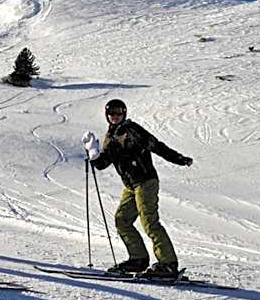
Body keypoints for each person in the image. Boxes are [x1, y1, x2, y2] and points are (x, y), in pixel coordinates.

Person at [83, 99, 193, 277]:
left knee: (149, 221)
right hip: (130, 185)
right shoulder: (110, 136)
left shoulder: (132, 130)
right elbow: (103, 164)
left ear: (124, 113)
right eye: (111, 113)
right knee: (122, 220)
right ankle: (138, 259)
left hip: (145, 181)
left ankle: (168, 264)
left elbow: (156, 146)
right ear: (107, 115)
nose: (115, 116)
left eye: (119, 113)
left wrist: (179, 159)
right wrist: (93, 153)